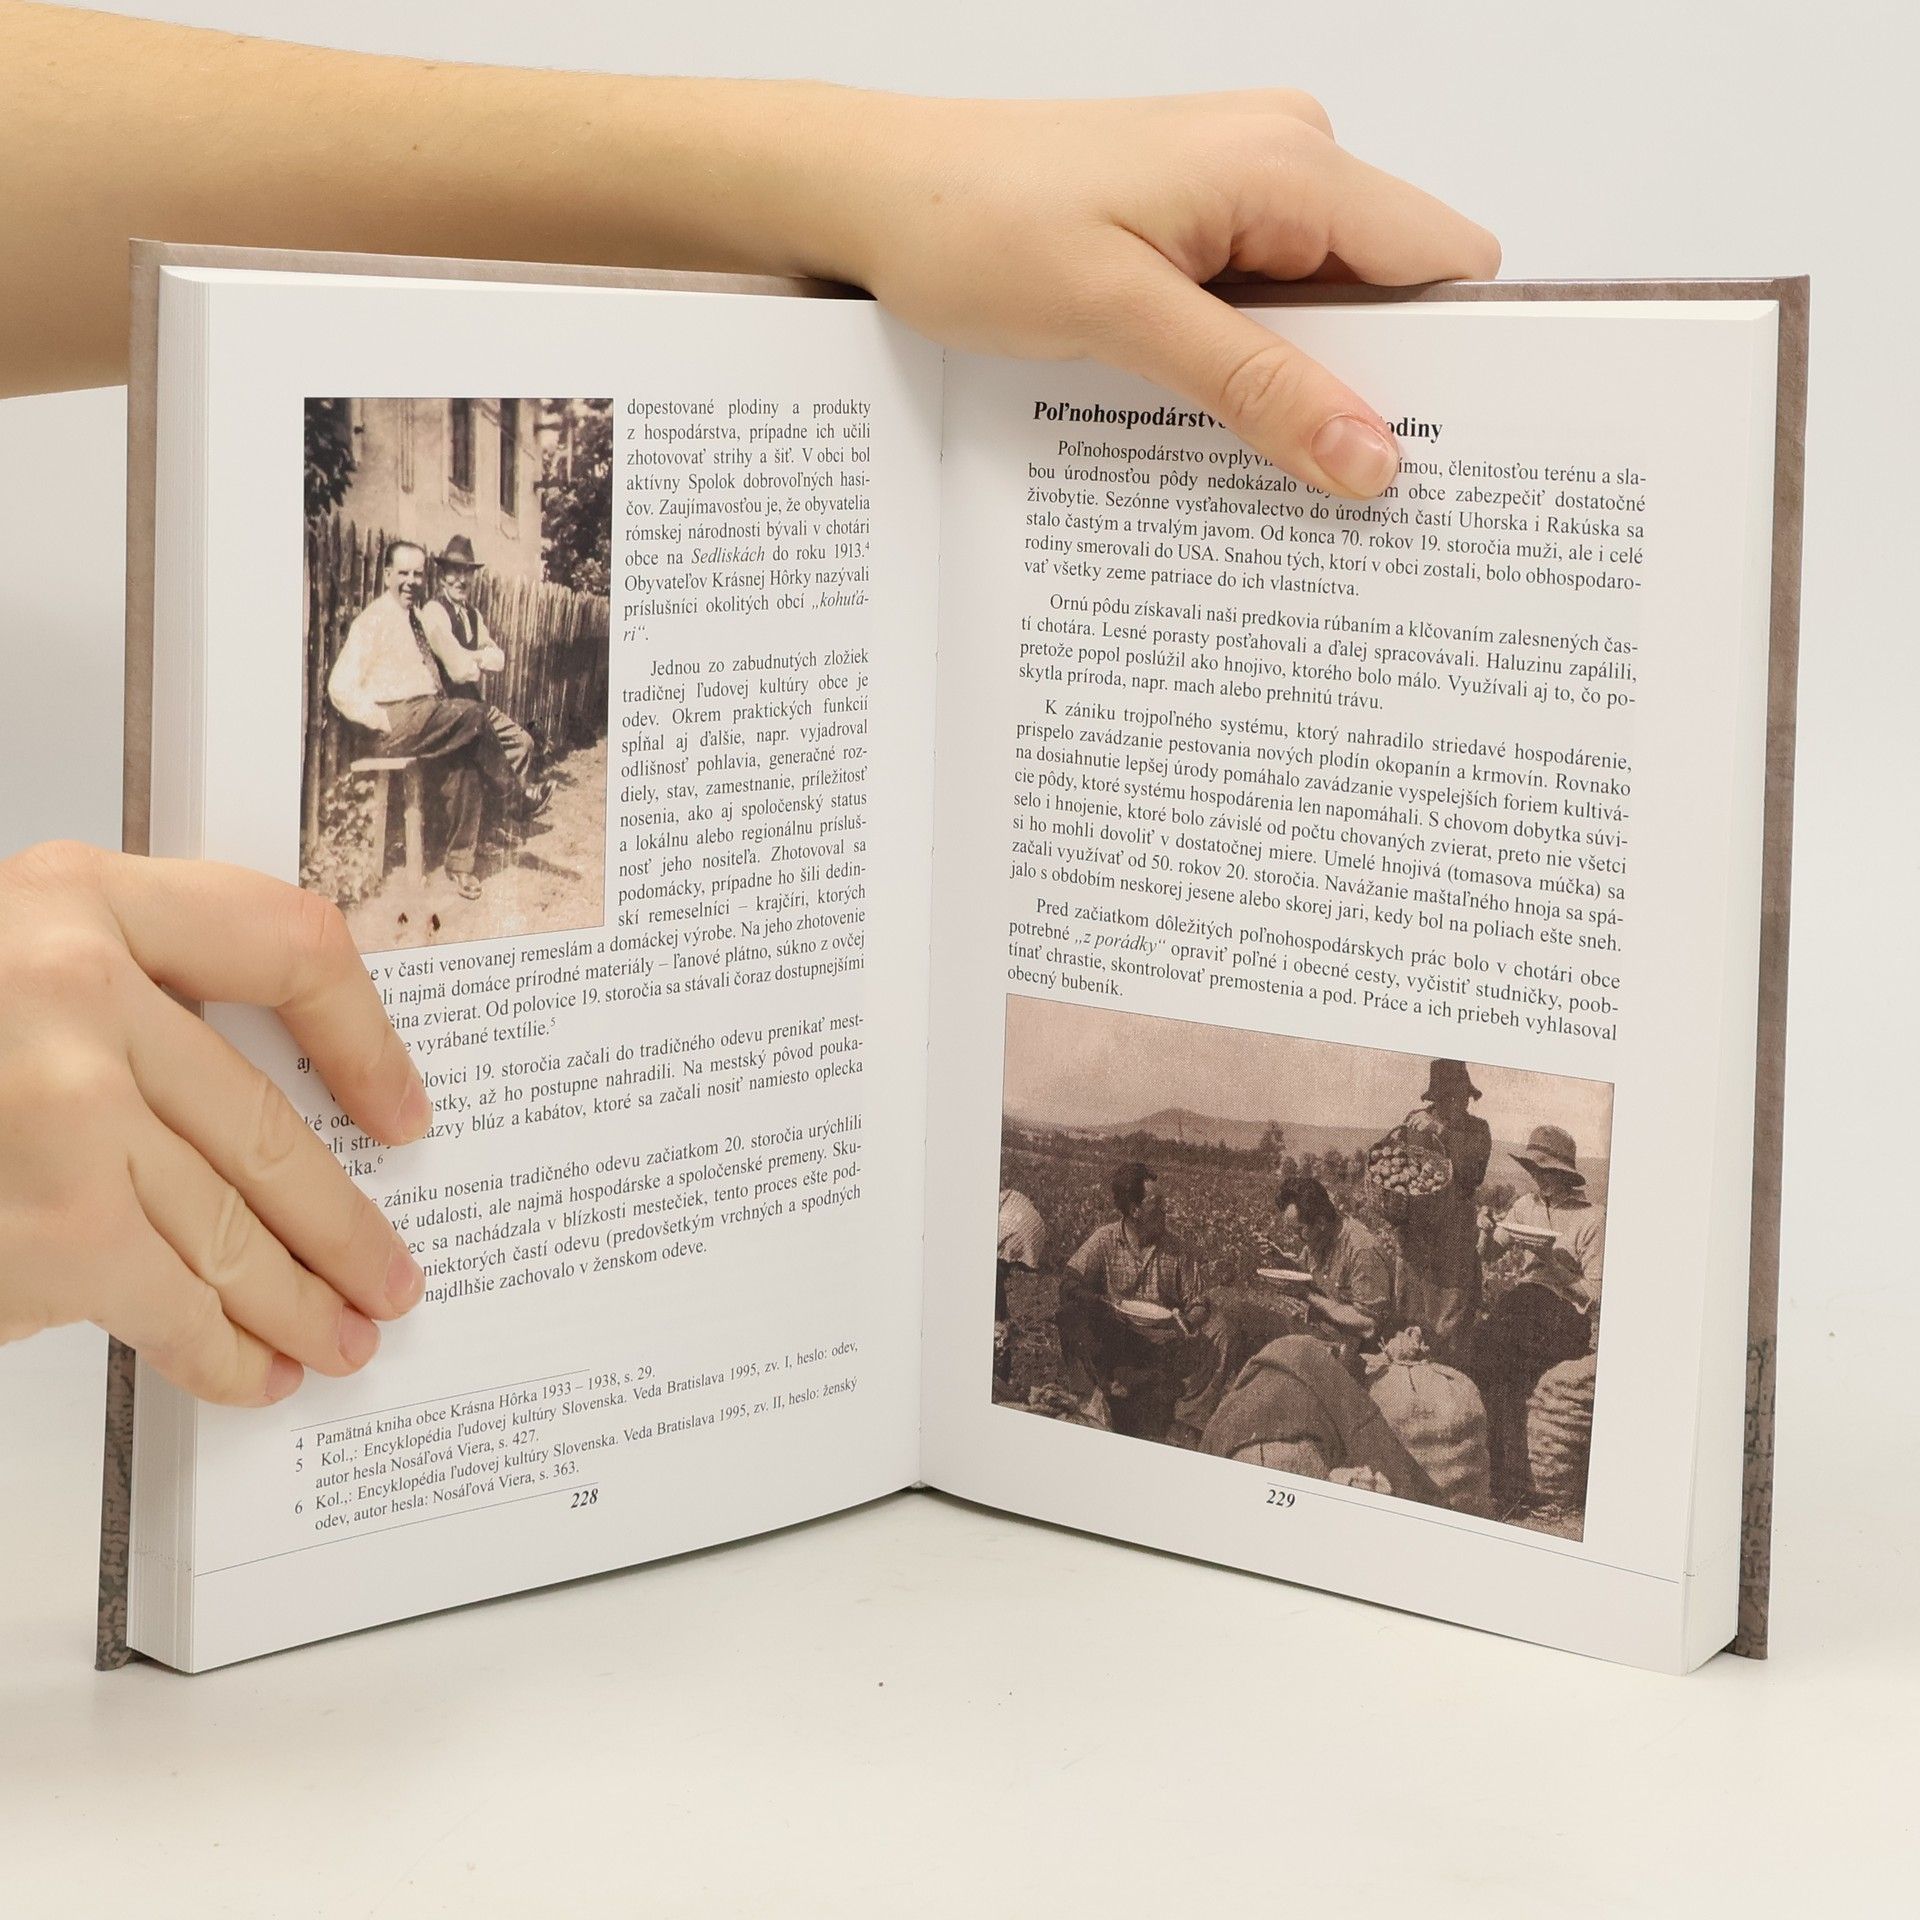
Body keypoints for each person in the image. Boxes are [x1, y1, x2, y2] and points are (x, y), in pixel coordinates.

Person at [0, 4, 1499, 1408]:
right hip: (395, 746)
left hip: (414, 726)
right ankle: (501, 816)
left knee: (499, 725)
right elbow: (412, 679)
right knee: (495, 732)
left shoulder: (425, 606)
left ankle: (500, 814)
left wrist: (867, 174)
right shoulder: (397, 614)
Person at [325, 539, 550, 901]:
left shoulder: (413, 617)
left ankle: (460, 865)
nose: (411, 581)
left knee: (466, 761)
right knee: (476, 714)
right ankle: (515, 799)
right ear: (387, 574)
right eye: (403, 573)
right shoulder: (374, 620)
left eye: (417, 574)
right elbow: (339, 686)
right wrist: (382, 719)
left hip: (424, 716)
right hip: (395, 722)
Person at [1389, 1059, 1492, 1367]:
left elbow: (1472, 1174)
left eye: (1464, 1097)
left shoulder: (1477, 1130)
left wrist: (1441, 1131)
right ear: (1437, 1098)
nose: (1460, 1104)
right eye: (1451, 1098)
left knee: (1450, 1327)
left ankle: (1450, 1383)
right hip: (1415, 1241)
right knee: (1411, 1321)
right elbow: (1396, 1168)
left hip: (1453, 1245)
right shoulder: (1414, 1122)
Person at [417, 536, 541, 788]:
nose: (461, 580)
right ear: (442, 577)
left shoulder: (473, 615)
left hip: (475, 704)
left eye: (467, 572)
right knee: (472, 768)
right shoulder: (434, 612)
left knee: (523, 743)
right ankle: (511, 803)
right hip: (447, 710)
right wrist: (478, 657)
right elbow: (459, 670)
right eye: (455, 571)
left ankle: (509, 805)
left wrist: (470, 655)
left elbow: (499, 659)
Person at [1481, 1124, 1607, 1314]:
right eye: (1533, 1169)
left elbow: (1595, 1296)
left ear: (1565, 1173)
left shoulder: (1592, 1218)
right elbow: (1489, 1254)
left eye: (1546, 1170)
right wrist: (1486, 1229)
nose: (1537, 1177)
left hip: (1566, 1311)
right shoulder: (1526, 1205)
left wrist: (1550, 1260)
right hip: (1525, 1298)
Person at [1272, 1172, 1396, 1333]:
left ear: (1320, 1222)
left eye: (1299, 1230)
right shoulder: (1319, 1238)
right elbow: (1305, 1275)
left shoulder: (1362, 1249)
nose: (1296, 1237)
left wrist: (1308, 1296)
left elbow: (1368, 1323)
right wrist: (1280, 1259)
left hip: (1357, 1344)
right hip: (1323, 1332)